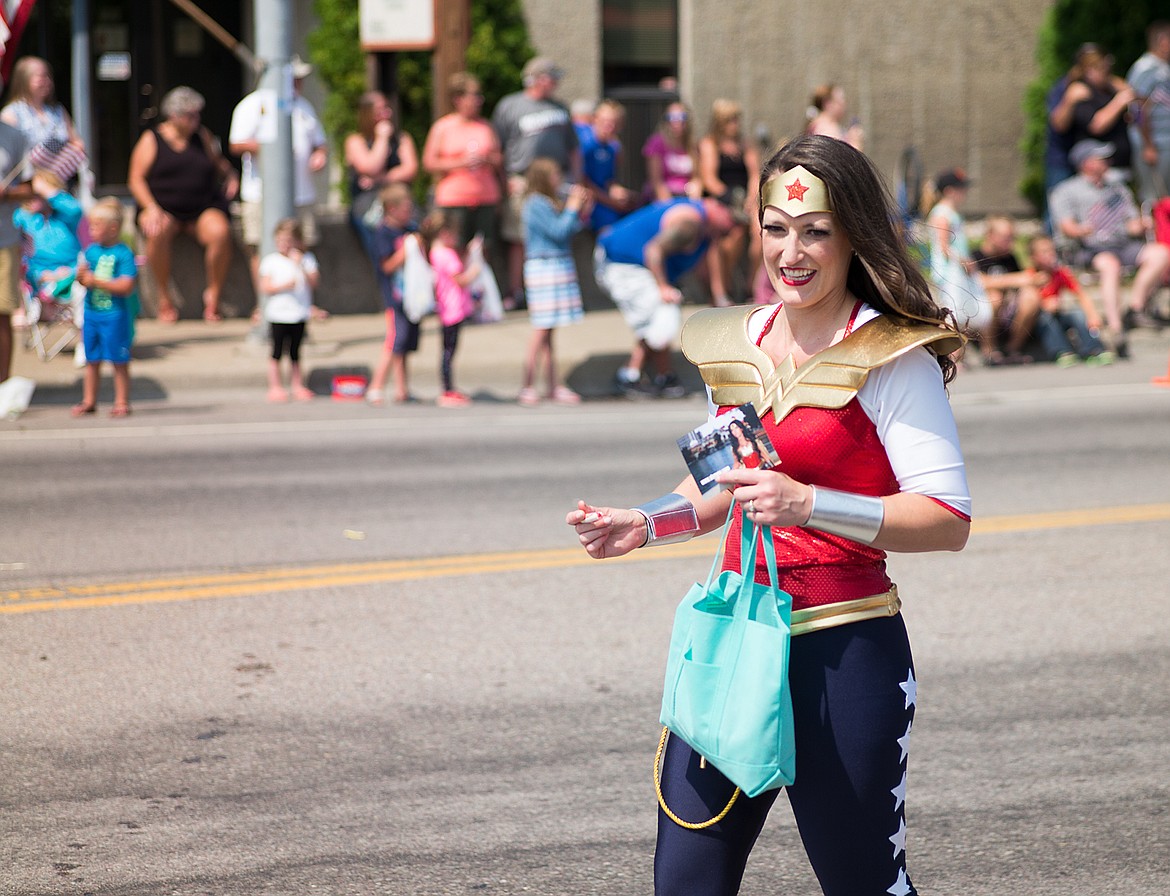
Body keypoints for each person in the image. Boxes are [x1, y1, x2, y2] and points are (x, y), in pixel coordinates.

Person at [567, 134, 970, 896]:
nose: (794, 252)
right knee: (686, 880)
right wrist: (645, 522)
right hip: (732, 643)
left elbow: (946, 518)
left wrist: (812, 503)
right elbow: (722, 486)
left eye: (816, 231)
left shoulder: (893, 357)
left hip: (843, 654)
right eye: (776, 229)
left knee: (863, 886)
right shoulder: (736, 343)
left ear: (854, 236)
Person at [594, 195, 734, 398]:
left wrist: (719, 298)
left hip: (629, 264)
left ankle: (662, 376)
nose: (733, 227)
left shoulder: (708, 232)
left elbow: (707, 269)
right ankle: (632, 375)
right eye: (732, 219)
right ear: (716, 205)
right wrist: (663, 287)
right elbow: (653, 251)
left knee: (662, 314)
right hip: (620, 263)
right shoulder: (690, 222)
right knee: (663, 312)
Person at [127, 86, 239, 323]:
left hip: (201, 207)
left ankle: (213, 297)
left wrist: (231, 176)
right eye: (191, 115)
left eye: (197, 114)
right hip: (163, 207)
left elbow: (219, 163)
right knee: (157, 230)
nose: (196, 120)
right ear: (174, 116)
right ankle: (164, 298)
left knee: (220, 232)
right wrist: (150, 207)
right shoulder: (152, 139)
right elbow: (135, 179)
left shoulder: (203, 136)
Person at [1049, 138, 1170, 356]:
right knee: (1110, 265)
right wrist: (1083, 229)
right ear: (1086, 163)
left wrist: (1140, 225)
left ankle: (1134, 308)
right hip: (1089, 248)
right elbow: (1066, 227)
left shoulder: (1117, 188)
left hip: (1122, 243)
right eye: (1101, 158)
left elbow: (1131, 223)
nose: (1107, 162)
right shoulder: (1066, 190)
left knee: (1161, 253)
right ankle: (1116, 328)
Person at [228, 55, 328, 291]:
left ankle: (302, 299)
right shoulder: (252, 104)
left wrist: (319, 154)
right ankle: (265, 301)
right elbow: (237, 143)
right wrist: (274, 150)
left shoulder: (303, 106)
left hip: (301, 192)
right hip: (260, 193)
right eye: (294, 78)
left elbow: (319, 142)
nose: (299, 84)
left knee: (301, 244)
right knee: (260, 246)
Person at [492, 57, 580, 309]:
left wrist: (575, 178)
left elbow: (573, 149)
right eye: (553, 77)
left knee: (558, 231)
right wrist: (504, 180)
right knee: (519, 237)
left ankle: (553, 289)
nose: (556, 83)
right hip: (522, 180)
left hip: (556, 180)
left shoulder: (560, 108)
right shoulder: (511, 105)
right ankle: (517, 291)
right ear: (539, 79)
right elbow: (498, 147)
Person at [518, 158, 592, 406]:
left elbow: (569, 229)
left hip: (556, 264)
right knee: (541, 328)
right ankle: (527, 384)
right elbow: (558, 231)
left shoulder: (547, 201)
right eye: (554, 174)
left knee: (549, 331)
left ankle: (552, 385)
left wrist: (581, 209)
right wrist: (572, 207)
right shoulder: (535, 203)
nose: (559, 179)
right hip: (544, 267)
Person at [421, 71, 503, 257]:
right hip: (454, 198)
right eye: (474, 96)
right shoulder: (443, 127)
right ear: (458, 99)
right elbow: (429, 163)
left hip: (485, 196)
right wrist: (460, 162)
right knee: (454, 249)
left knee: (483, 250)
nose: (478, 101)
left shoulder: (485, 126)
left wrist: (487, 159)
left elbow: (499, 159)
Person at [73, 198, 138, 418]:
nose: (91, 230)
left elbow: (126, 285)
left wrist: (95, 281)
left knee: (119, 360)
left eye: (96, 226)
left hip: (114, 315)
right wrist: (81, 277)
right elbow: (84, 279)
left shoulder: (123, 253)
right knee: (91, 359)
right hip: (91, 314)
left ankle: (121, 401)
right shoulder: (91, 252)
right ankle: (89, 400)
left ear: (113, 228)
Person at [924, 168, 995, 360]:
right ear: (949, 190)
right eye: (961, 188)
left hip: (957, 271)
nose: (965, 192)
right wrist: (964, 262)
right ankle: (952, 355)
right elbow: (944, 246)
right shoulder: (942, 214)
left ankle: (960, 354)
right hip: (949, 272)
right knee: (952, 313)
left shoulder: (950, 213)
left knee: (962, 311)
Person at [698, 98, 760, 305]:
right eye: (730, 120)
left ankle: (750, 287)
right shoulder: (710, 144)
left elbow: (754, 175)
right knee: (733, 234)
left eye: (737, 119)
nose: (735, 123)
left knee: (761, 233)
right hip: (723, 200)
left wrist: (751, 199)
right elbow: (710, 179)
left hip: (746, 201)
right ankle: (724, 287)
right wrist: (732, 199)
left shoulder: (745, 144)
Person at [344, 91, 419, 261]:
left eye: (387, 108)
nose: (387, 114)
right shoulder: (355, 141)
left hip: (402, 209)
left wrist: (380, 179)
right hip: (369, 211)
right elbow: (370, 166)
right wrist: (382, 138)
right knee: (382, 258)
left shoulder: (402, 138)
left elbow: (411, 169)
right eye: (380, 110)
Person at [258, 218, 324, 402]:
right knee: (277, 352)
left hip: (298, 313)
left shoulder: (306, 259)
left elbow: (314, 283)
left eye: (288, 241)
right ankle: (275, 386)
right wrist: (284, 286)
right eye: (280, 241)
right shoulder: (271, 261)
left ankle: (297, 385)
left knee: (296, 352)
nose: (284, 245)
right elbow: (265, 287)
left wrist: (300, 264)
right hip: (278, 314)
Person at [420, 210, 481, 408]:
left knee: (447, 350)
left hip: (446, 308)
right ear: (445, 233)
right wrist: (475, 271)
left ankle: (448, 388)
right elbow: (460, 279)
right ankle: (448, 390)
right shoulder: (447, 255)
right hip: (454, 309)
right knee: (449, 352)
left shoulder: (435, 253)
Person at [1050, 45, 1135, 181]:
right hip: (1065, 158)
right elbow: (1093, 124)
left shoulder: (1108, 86)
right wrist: (1119, 102)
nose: (1106, 71)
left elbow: (1131, 93)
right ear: (1088, 69)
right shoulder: (1075, 89)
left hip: (1118, 163)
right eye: (1101, 67)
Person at [1026, 234, 1113, 366]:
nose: (1050, 254)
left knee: (1077, 313)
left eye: (1051, 250)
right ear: (1034, 257)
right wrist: (1042, 304)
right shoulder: (1029, 275)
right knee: (1045, 318)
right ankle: (1062, 352)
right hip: (1037, 321)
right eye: (1044, 252)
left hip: (1057, 314)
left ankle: (1094, 349)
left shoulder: (1060, 273)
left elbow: (1081, 294)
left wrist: (1092, 314)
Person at [970, 216, 1041, 364]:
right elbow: (979, 282)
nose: (1010, 242)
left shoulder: (1009, 258)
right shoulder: (976, 256)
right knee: (994, 297)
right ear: (991, 236)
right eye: (1005, 238)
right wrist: (1014, 279)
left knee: (1031, 296)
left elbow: (1024, 280)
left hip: (1008, 311)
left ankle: (1012, 348)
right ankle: (990, 350)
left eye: (1012, 237)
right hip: (979, 311)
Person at [0, 56, 85, 171]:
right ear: (24, 79)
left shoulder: (58, 111)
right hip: (26, 185)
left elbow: (77, 142)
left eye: (49, 76)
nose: (48, 82)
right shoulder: (10, 113)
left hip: (59, 181)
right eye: (42, 77)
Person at [13, 169, 83, 301]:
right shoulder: (23, 218)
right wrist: (40, 275)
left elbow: (75, 209)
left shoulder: (67, 218)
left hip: (69, 275)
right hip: (37, 279)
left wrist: (47, 190)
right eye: (30, 193)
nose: (31, 197)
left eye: (37, 194)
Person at [0, 120, 32, 384]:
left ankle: (3, 386)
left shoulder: (14, 135)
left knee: (2, 313)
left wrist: (7, 192)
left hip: (4, 238)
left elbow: (30, 188)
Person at [1127, 21, 1170, 204]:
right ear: (1163, 42)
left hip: (1164, 142)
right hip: (1155, 145)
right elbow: (1138, 109)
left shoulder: (1162, 67)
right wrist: (1148, 145)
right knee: (1154, 198)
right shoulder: (1146, 68)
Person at [579, 99, 637, 233]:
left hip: (603, 198)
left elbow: (608, 180)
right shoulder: (585, 144)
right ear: (595, 119)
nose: (608, 126)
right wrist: (611, 202)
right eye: (605, 121)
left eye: (613, 123)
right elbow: (583, 180)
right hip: (589, 200)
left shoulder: (612, 148)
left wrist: (618, 191)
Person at [643, 101, 699, 202]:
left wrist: (694, 201)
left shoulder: (691, 146)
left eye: (682, 117)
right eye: (672, 117)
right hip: (662, 198)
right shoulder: (657, 143)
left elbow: (696, 178)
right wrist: (669, 205)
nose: (677, 122)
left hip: (686, 197)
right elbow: (656, 181)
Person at [805, 84, 864, 150]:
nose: (844, 104)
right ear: (828, 103)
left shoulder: (822, 124)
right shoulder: (826, 128)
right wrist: (855, 143)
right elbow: (835, 157)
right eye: (840, 100)